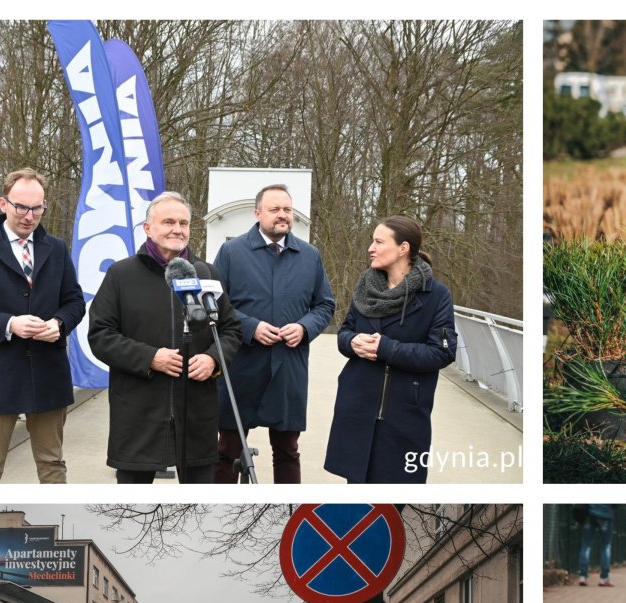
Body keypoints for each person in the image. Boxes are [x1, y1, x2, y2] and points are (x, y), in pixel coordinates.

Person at [87, 191, 242, 483]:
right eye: (168, 221)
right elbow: (100, 335)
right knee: (131, 515)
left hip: (196, 414)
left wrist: (212, 360)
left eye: (183, 223)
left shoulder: (206, 273)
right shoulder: (121, 275)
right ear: (148, 228)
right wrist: (149, 358)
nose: (177, 229)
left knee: (199, 513)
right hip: (138, 416)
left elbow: (231, 330)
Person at [0, 168, 85, 483]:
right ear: (3, 203)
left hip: (49, 373)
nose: (29, 216)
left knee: (53, 466)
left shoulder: (58, 249)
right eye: (21, 207)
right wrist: (9, 323)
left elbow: (75, 302)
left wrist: (60, 323)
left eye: (37, 208)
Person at [212, 184, 335, 483]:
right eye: (275, 209)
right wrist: (250, 327)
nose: (282, 215)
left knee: (288, 450)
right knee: (227, 449)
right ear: (258, 213)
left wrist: (305, 327)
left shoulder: (310, 255)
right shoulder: (231, 252)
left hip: (288, 367)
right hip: (240, 366)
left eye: (287, 210)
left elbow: (325, 304)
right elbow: (215, 302)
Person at [323, 216, 457, 483]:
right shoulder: (366, 287)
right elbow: (345, 331)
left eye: (378, 241)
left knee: (396, 499)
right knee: (359, 502)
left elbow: (442, 352)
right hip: (357, 407)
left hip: (404, 416)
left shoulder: (436, 296)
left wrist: (386, 348)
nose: (370, 248)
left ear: (403, 248)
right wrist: (351, 342)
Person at [577, 505, 616, 587]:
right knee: (606, 545)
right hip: (606, 514)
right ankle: (604, 578)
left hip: (589, 513)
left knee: (586, 545)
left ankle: (582, 576)